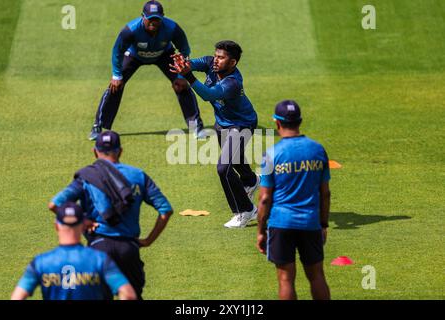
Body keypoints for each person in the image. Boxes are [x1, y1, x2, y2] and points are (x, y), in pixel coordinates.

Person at [48, 130, 173, 299]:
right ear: (120, 151)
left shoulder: (86, 177)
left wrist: (84, 222)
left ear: (95, 151)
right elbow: (165, 210)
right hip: (129, 249)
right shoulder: (138, 176)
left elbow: (55, 204)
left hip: (97, 249)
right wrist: (148, 241)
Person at [170, 40, 259, 228]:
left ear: (233, 62)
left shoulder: (233, 83)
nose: (216, 60)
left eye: (222, 57)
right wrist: (184, 65)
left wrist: (189, 76)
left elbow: (209, 94)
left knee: (223, 169)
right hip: (222, 124)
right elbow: (192, 64)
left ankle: (245, 211)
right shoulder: (210, 62)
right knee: (235, 161)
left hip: (241, 125)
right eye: (216, 56)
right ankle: (251, 181)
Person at [89, 0, 205, 141]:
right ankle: (98, 126)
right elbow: (117, 52)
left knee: (181, 85)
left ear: (162, 17)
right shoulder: (130, 30)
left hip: (164, 54)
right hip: (134, 55)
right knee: (116, 85)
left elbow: (184, 50)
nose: (153, 22)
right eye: (150, 19)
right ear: (143, 17)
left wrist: (181, 75)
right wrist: (117, 75)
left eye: (157, 19)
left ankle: (196, 127)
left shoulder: (172, 28)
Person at [256, 100, 331, 300]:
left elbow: (264, 199)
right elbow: (325, 193)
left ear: (277, 123)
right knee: (316, 276)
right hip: (310, 222)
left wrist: (261, 231)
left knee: (286, 279)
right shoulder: (318, 150)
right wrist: (323, 224)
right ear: (300, 121)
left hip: (282, 224)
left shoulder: (272, 155)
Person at [11, 202, 137, 300]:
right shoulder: (99, 260)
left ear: (56, 226)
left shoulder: (40, 263)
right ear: (83, 225)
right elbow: (128, 294)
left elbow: (17, 297)